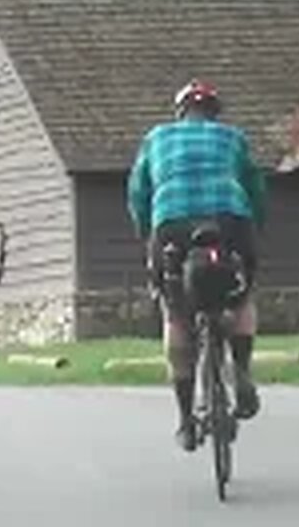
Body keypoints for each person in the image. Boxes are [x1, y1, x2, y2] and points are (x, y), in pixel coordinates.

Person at [126, 79, 267, 452]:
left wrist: (147, 230)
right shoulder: (232, 137)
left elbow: (138, 192)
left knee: (175, 316)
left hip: (171, 221)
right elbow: (256, 187)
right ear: (215, 112)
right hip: (229, 218)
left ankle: (187, 421)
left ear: (180, 112)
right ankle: (241, 368)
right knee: (244, 293)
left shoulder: (156, 138)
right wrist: (255, 226)